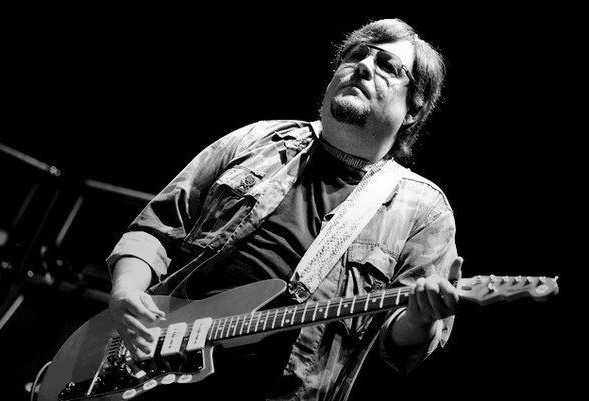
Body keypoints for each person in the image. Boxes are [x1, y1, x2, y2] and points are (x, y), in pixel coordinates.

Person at [106, 17, 462, 401]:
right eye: (356, 54)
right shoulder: (257, 139)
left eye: (388, 66)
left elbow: (397, 349)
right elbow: (158, 226)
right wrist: (127, 288)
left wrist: (420, 319)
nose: (363, 66)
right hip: (151, 365)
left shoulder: (424, 210)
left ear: (413, 109)